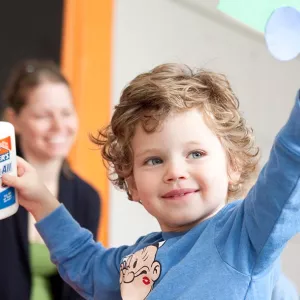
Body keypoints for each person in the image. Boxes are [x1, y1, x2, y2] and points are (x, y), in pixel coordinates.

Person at [2, 63, 300, 299]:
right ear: (131, 183)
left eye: (195, 153)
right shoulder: (140, 260)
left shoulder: (243, 235)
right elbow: (86, 263)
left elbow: (290, 163)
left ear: (233, 164)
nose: (175, 171)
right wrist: (40, 200)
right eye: (154, 160)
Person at [0, 59, 101, 300]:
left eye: (66, 113)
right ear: (14, 119)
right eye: (44, 115)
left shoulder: (87, 197)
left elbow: (83, 283)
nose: (59, 126)